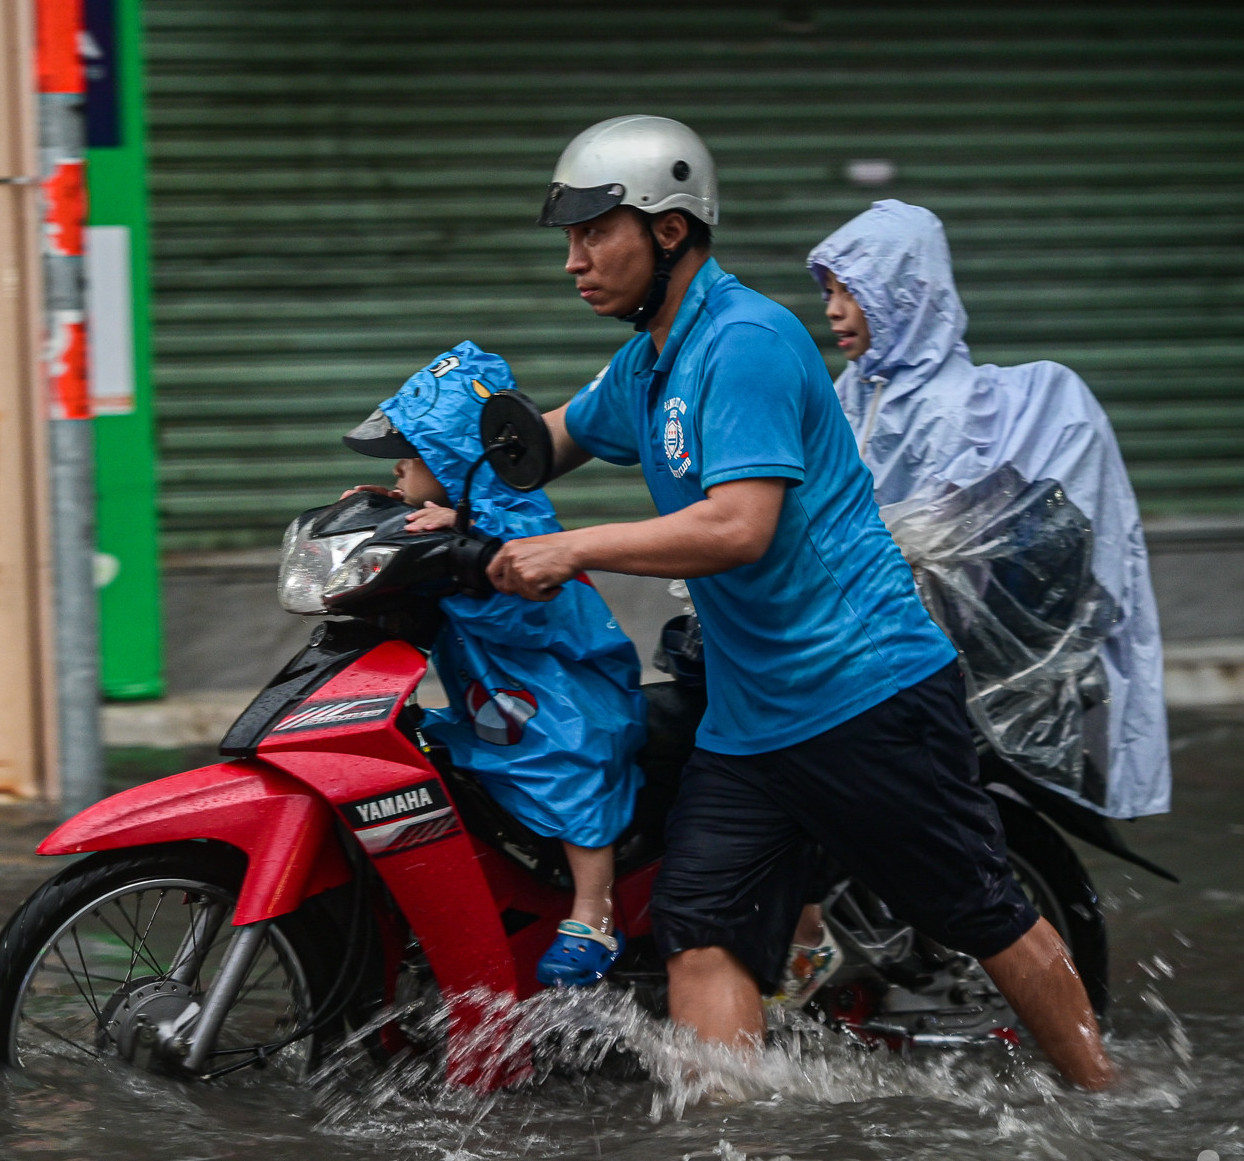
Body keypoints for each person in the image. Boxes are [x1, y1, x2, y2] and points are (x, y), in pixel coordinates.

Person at [489, 115, 1116, 1089]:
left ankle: (1107, 1105)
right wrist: (418, 483)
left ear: (667, 231)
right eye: (567, 239)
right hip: (752, 729)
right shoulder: (650, 361)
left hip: (863, 697)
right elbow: (547, 440)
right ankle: (725, 1139)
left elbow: (739, 526)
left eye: (592, 232)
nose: (573, 261)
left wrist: (571, 547)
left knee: (978, 909)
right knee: (701, 935)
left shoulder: (744, 343)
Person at [805, 200, 1170, 821]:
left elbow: (947, 546)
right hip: (863, 639)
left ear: (902, 293)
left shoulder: (953, 408)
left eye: (853, 291)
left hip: (919, 658)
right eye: (830, 291)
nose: (834, 309)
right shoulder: (853, 391)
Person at [341, 341, 648, 987]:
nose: (398, 467)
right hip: (497, 694)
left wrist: (467, 536)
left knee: (575, 765)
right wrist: (380, 512)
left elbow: (520, 588)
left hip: (563, 690)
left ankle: (593, 911)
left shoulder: (516, 519)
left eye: (410, 456)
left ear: (455, 462)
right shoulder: (448, 510)